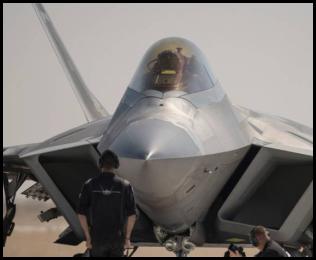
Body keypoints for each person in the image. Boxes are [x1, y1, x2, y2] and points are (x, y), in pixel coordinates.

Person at [77, 150, 137, 257]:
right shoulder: (125, 185)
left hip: (97, 238)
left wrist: (88, 237)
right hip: (117, 239)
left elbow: (81, 214)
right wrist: (127, 238)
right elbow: (132, 215)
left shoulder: (89, 184)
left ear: (100, 164)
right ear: (116, 164)